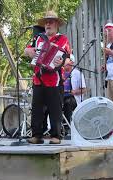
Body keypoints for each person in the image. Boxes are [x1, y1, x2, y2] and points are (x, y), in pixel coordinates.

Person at [24, 10, 71, 144]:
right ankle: (36, 135)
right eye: (46, 22)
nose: (47, 24)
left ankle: (56, 136)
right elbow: (26, 50)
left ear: (56, 24)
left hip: (54, 80)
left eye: (50, 22)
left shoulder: (63, 39)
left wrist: (61, 62)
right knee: (37, 108)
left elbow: (68, 59)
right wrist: (29, 52)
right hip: (38, 79)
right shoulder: (38, 38)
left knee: (55, 109)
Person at [62, 54, 87, 121]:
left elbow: (84, 89)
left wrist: (75, 91)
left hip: (72, 98)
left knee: (68, 102)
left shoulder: (77, 73)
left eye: (65, 59)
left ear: (71, 62)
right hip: (60, 97)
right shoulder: (59, 73)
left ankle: (67, 125)